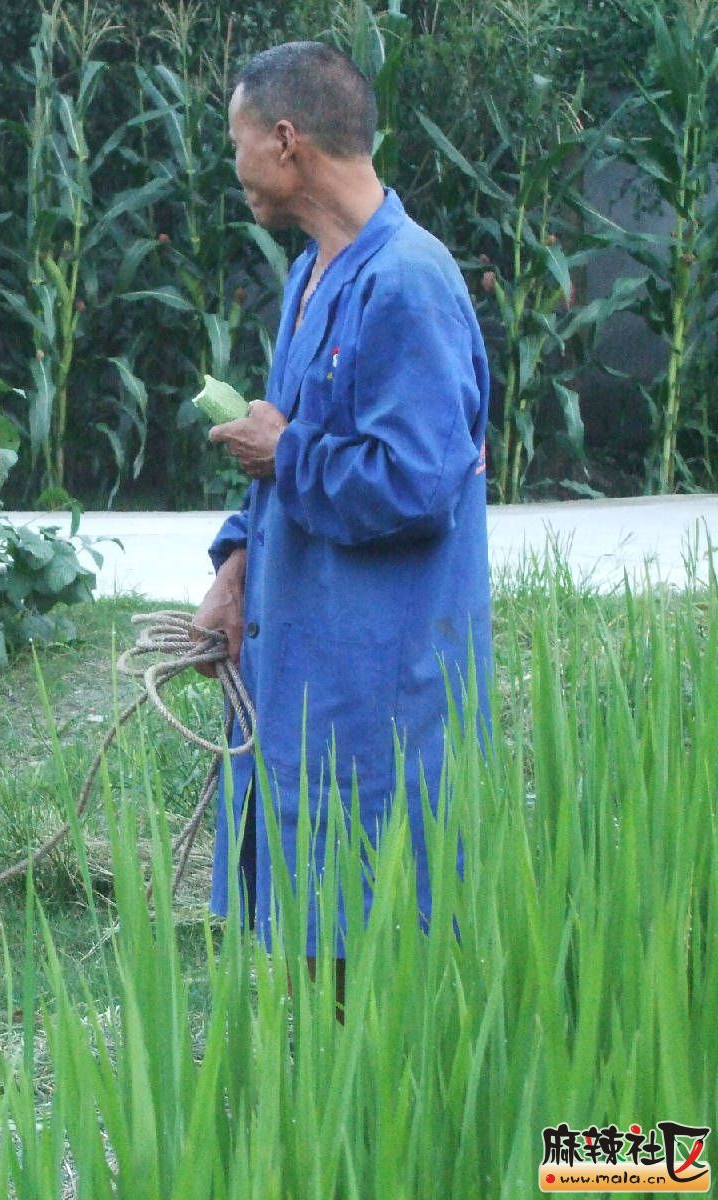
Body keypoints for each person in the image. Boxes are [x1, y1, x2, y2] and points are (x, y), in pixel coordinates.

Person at [193, 41, 493, 1000]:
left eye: (237, 141)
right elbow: (287, 429)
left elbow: (416, 483)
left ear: (286, 143)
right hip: (304, 664)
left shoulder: (407, 282)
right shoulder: (315, 271)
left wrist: (284, 453)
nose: (232, 166)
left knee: (374, 939)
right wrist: (235, 564)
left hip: (381, 685)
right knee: (308, 930)